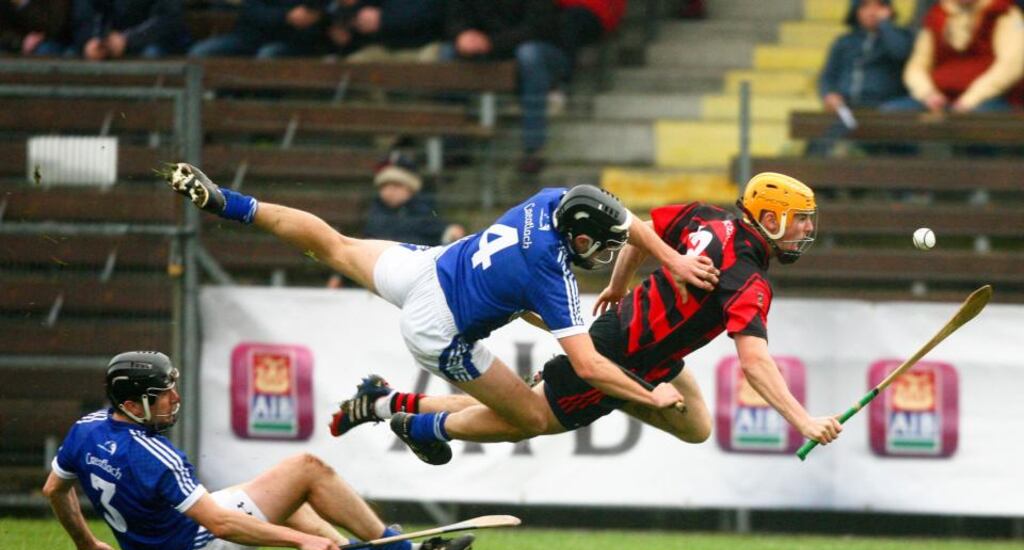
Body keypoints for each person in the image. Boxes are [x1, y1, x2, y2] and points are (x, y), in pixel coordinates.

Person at [164, 162, 720, 466]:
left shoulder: (552, 198)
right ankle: (421, 424)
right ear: (577, 236)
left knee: (332, 244)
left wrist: (671, 260)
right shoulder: (551, 274)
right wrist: (652, 397)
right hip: (438, 331)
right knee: (529, 416)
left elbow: (625, 224)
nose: (602, 256)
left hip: (428, 269)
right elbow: (593, 367)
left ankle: (231, 204)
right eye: (597, 246)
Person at [332, 173, 844, 452]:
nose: (805, 231)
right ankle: (405, 416)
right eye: (799, 222)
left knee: (697, 429)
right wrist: (802, 420)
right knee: (523, 422)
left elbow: (636, 233)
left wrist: (620, 287)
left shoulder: (705, 215)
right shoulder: (748, 280)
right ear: (770, 218)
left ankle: (384, 402)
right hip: (619, 353)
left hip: (650, 353)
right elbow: (755, 364)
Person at [42, 351, 475, 550]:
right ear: (134, 403)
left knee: (288, 492)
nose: (174, 399)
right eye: (163, 395)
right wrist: (298, 541)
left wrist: (84, 541)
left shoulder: (87, 429)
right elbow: (222, 526)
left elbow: (54, 490)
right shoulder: (156, 454)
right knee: (307, 469)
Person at [442, 0, 569, 174]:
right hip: (488, 48)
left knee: (529, 55)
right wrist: (462, 35)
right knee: (447, 54)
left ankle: (533, 149)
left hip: (543, 50)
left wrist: (491, 42)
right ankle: (454, 147)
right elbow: (454, 17)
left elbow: (539, 28)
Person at [810, 0, 914, 156]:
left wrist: (885, 25)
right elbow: (827, 76)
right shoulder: (844, 42)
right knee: (820, 147)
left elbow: (901, 53)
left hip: (884, 112)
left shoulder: (902, 37)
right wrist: (828, 94)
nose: (872, 12)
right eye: (865, 6)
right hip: (847, 110)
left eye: (878, 6)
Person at [883, 0, 1024, 113]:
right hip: (940, 97)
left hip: (991, 99)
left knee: (976, 120)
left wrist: (970, 100)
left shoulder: (1003, 12)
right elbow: (917, 65)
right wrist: (928, 94)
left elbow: (1011, 65)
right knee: (891, 113)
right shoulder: (938, 14)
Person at [363, 151, 465, 246]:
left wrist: (448, 231)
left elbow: (433, 227)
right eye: (384, 186)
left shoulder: (423, 209)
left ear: (410, 189)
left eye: (396, 185)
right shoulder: (375, 212)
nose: (389, 191)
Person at [188, 0, 327, 59]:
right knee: (200, 53)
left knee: (268, 55)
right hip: (250, 37)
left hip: (290, 41)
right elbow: (250, 11)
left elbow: (313, 15)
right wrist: (285, 17)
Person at [327, 0, 444, 62]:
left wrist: (385, 19)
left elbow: (433, 15)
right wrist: (345, 20)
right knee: (356, 63)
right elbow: (360, 10)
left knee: (430, 65)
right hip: (385, 47)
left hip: (425, 46)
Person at [70, 0, 190, 60]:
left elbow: (168, 19)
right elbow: (84, 15)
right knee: (65, 55)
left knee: (151, 55)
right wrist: (93, 39)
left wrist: (127, 40)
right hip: (104, 44)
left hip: (151, 43)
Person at [0, 0, 71, 56]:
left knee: (44, 50)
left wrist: (40, 36)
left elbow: (57, 22)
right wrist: (21, 41)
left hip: (49, 39)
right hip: (14, 41)